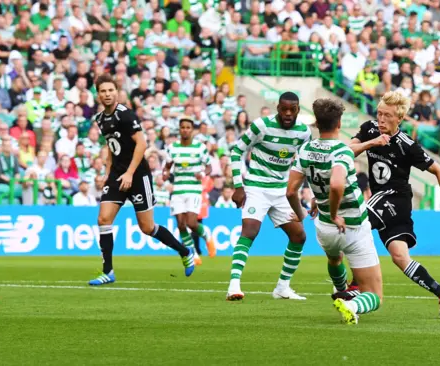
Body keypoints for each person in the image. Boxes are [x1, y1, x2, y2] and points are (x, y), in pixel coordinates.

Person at [349, 90, 440, 319]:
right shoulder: (369, 129)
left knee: (355, 223)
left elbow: (439, 170)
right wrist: (372, 143)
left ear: (399, 118)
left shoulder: (407, 145)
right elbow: (347, 150)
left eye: (387, 115)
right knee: (400, 257)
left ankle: (353, 285)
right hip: (382, 199)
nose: (381, 119)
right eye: (379, 113)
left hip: (396, 199)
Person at [89, 74, 195, 286]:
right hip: (117, 176)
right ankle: (108, 271)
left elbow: (142, 144)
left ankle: (185, 251)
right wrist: (107, 172)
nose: (107, 94)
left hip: (137, 176)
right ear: (98, 94)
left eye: (111, 90)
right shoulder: (100, 119)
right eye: (103, 91)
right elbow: (111, 148)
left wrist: (129, 173)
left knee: (147, 228)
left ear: (117, 92)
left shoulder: (126, 115)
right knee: (103, 219)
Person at [287, 98, 382, 325]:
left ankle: (341, 290)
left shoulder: (305, 149)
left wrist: (302, 213)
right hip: (351, 226)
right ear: (339, 123)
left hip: (324, 228)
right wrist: (334, 212)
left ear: (317, 124)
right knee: (376, 295)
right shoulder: (341, 150)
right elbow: (338, 183)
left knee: (334, 258)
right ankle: (351, 303)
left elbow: (291, 191)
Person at [227, 92, 311, 301]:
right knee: (250, 231)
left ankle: (282, 287)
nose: (288, 113)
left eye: (293, 109)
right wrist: (239, 185)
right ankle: (233, 285)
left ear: (298, 109)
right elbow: (237, 151)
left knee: (299, 236)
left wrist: (309, 192)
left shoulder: (304, 132)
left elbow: (304, 164)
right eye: (284, 109)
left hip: (282, 191)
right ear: (278, 108)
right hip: (256, 187)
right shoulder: (261, 126)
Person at [162, 117, 216, 265]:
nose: (185, 130)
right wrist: (165, 174)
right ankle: (193, 254)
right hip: (178, 189)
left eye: (188, 127)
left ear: (192, 130)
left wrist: (203, 174)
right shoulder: (173, 148)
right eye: (183, 127)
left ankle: (207, 236)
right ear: (179, 129)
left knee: (192, 223)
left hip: (193, 189)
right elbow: (167, 167)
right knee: (180, 224)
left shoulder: (200, 147)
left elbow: (209, 166)